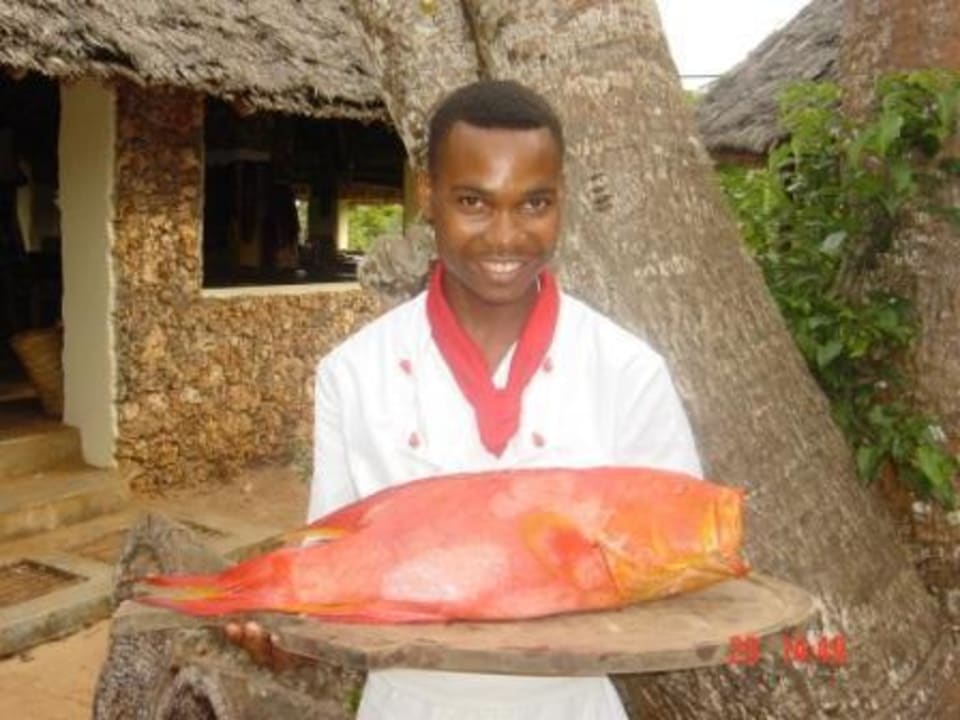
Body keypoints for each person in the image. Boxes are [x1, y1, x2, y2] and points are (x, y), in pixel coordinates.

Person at [228, 79, 702, 719]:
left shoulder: (627, 371)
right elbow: (335, 569)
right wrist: (293, 642)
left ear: (561, 199)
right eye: (474, 201)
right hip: (405, 705)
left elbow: (675, 566)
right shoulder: (355, 372)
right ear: (429, 195)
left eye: (534, 203)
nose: (506, 236)